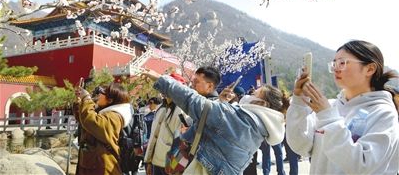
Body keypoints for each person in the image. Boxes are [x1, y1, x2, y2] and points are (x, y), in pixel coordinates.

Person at [286, 40, 399, 174]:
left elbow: (361, 165)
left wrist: (328, 118)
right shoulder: (330, 106)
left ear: (370, 69)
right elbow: (301, 146)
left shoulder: (383, 113)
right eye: (334, 63)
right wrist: (299, 102)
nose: (335, 68)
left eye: (342, 62)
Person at [153, 75, 289, 175]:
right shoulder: (257, 128)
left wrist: (161, 79)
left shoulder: (239, 118)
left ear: (261, 104)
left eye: (254, 93)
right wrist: (221, 103)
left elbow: (193, 101)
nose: (249, 95)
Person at [73, 83, 133, 175]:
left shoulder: (115, 116)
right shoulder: (103, 111)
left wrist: (87, 99)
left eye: (101, 93)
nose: (98, 95)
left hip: (102, 166)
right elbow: (84, 121)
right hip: (92, 164)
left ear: (110, 100)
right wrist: (79, 102)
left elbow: (91, 121)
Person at [144, 73, 189, 175]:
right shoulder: (161, 108)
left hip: (172, 164)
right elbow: (153, 137)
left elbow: (185, 140)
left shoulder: (182, 110)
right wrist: (149, 161)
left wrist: (177, 167)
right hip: (157, 162)